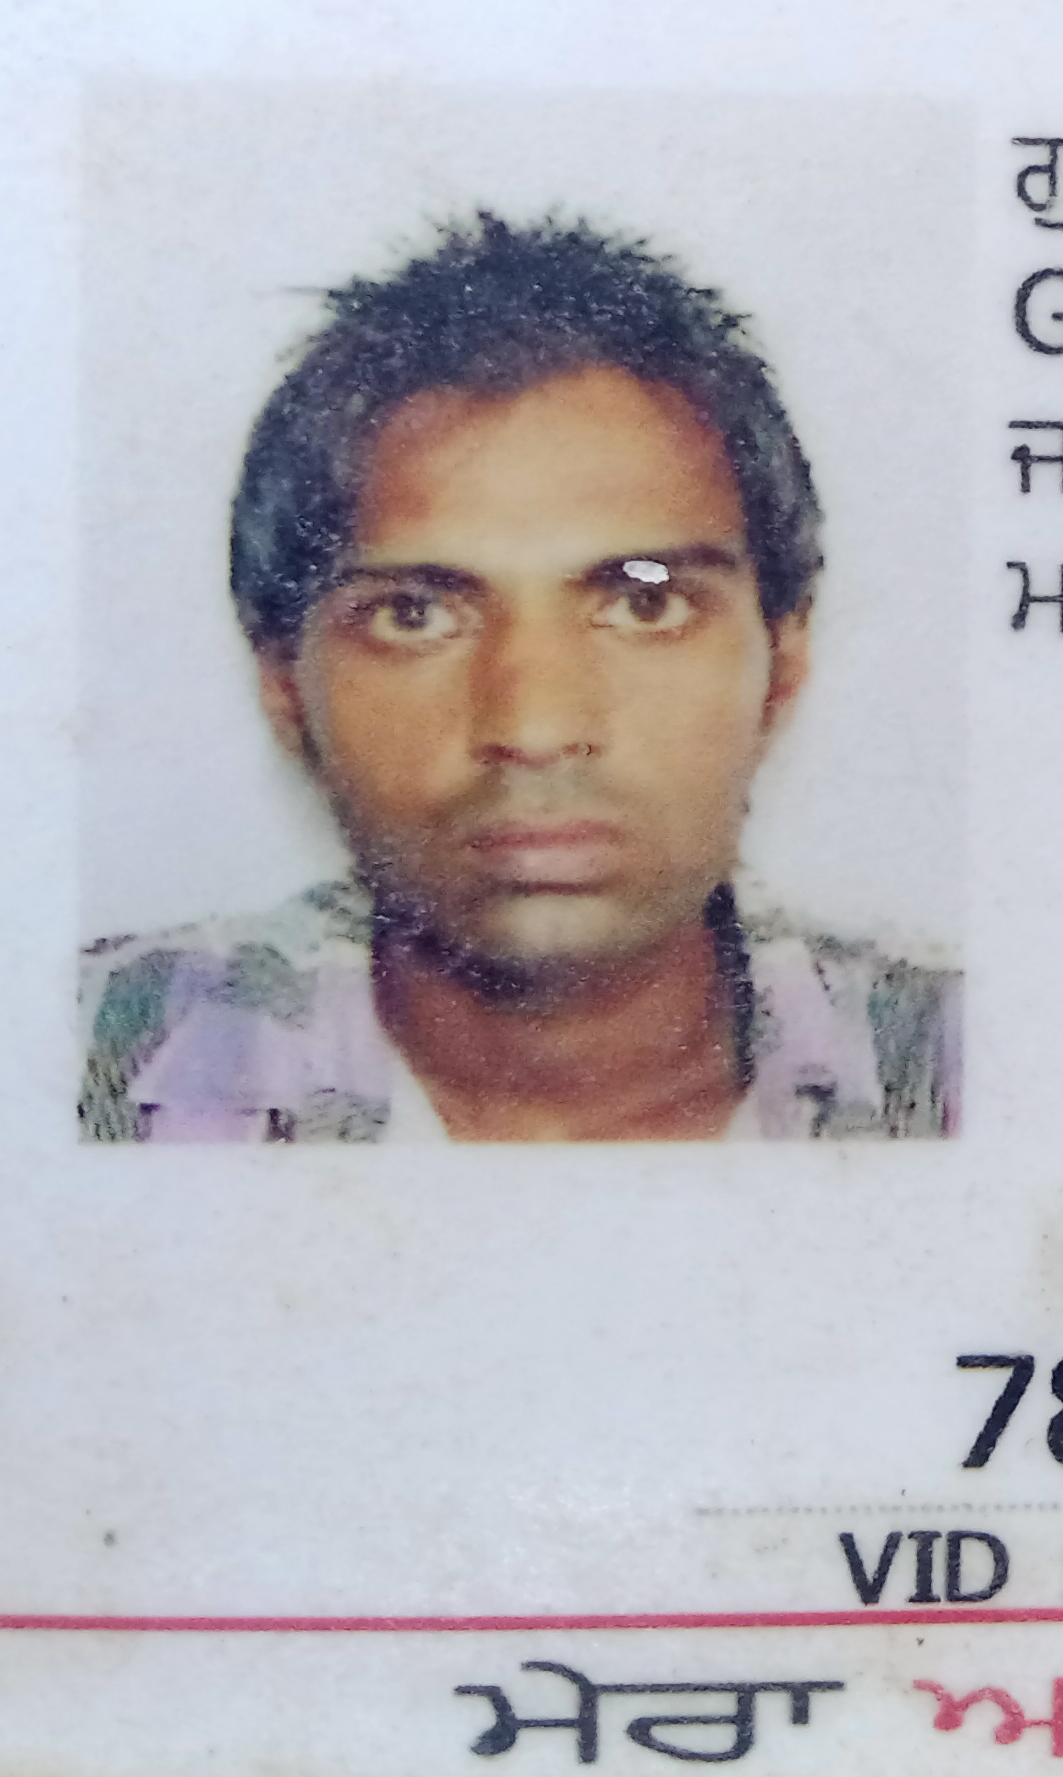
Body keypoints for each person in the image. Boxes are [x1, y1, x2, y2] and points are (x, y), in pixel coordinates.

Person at [82, 212, 953, 1142]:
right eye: (414, 615)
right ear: (286, 688)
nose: (535, 729)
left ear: (783, 663)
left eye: (645, 604)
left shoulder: (989, 1074)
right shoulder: (52, 1057)